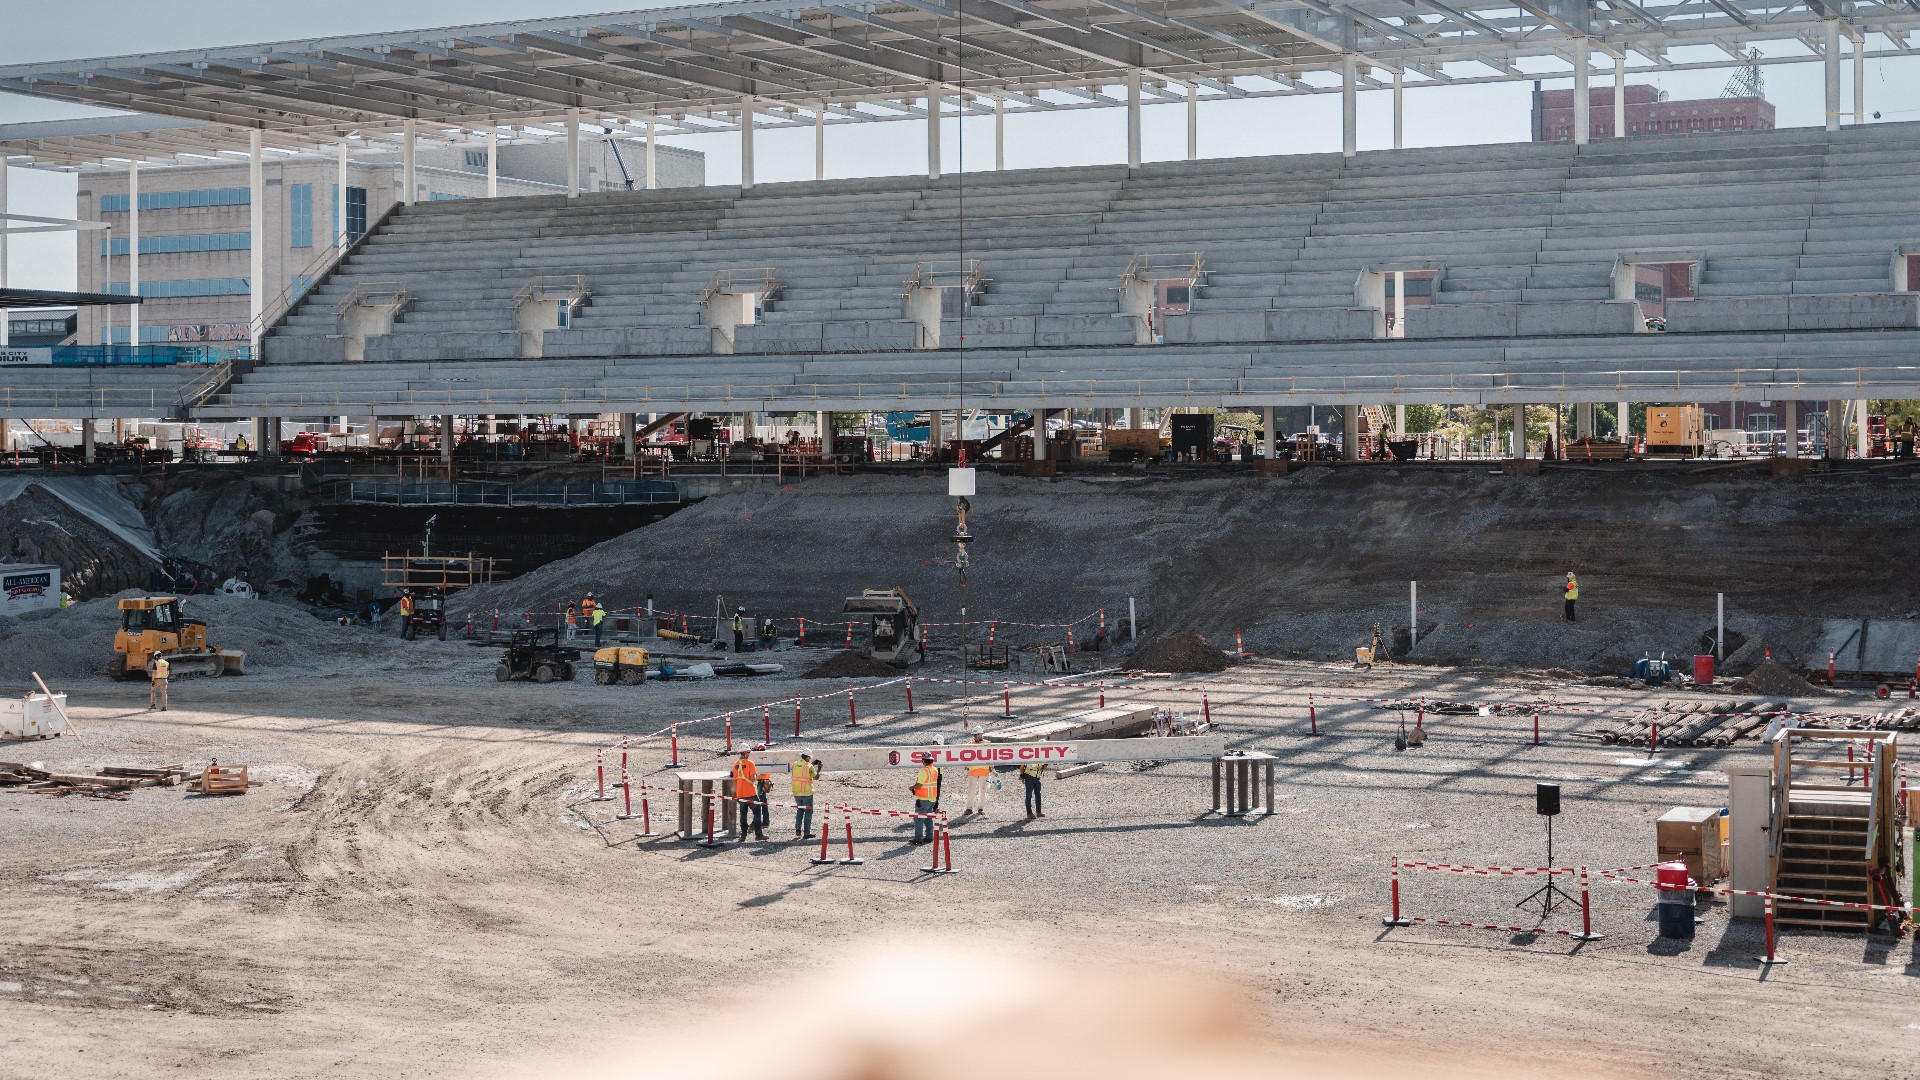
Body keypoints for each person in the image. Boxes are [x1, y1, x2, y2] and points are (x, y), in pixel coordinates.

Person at [731, 749, 764, 841]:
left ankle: (743, 835)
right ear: (745, 752)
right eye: (748, 752)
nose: (749, 754)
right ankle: (758, 834)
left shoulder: (736, 764)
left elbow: (735, 778)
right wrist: (758, 777)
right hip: (750, 792)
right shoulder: (750, 763)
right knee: (757, 812)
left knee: (743, 814)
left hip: (740, 792)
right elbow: (753, 779)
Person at [790, 750, 822, 838]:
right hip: (806, 792)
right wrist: (819, 769)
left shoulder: (794, 764)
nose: (809, 759)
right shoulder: (809, 766)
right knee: (808, 812)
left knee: (800, 810)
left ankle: (798, 829)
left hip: (796, 792)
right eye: (809, 758)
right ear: (807, 757)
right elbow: (816, 777)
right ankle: (807, 833)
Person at [911, 755, 942, 844]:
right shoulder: (935, 770)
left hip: (923, 798)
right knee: (928, 818)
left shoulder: (924, 771)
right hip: (932, 798)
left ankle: (918, 838)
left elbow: (919, 785)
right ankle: (929, 837)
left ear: (923, 761)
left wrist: (912, 787)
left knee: (919, 818)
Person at [963, 727, 992, 817]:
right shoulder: (969, 744)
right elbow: (965, 755)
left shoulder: (988, 744)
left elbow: (992, 755)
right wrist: (966, 765)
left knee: (982, 791)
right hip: (973, 770)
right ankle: (969, 808)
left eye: (977, 734)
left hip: (984, 770)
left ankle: (980, 808)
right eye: (974, 735)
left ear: (981, 734)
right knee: (971, 790)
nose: (975, 736)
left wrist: (992, 766)